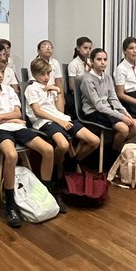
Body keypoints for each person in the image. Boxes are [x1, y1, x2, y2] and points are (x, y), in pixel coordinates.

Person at [0, 56, 53, 228]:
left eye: (2, 72)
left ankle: (46, 193)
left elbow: (18, 113)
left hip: (15, 127)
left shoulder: (9, 90)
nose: (0, 76)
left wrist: (4, 117)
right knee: (11, 155)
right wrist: (10, 118)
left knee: (48, 150)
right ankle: (10, 204)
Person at [24, 56, 98, 195]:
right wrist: (59, 122)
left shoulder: (51, 87)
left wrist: (58, 92)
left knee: (94, 141)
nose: (46, 77)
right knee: (63, 145)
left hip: (60, 118)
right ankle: (54, 170)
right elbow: (38, 112)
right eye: (42, 74)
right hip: (44, 122)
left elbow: (60, 111)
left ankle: (71, 163)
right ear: (34, 75)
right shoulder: (31, 89)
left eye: (48, 74)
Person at [78, 49, 136, 153]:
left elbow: (113, 99)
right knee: (123, 129)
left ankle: (112, 146)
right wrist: (121, 117)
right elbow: (98, 106)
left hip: (107, 110)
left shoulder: (107, 78)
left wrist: (124, 112)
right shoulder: (87, 80)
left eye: (105, 59)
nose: (103, 62)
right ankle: (113, 152)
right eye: (99, 59)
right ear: (92, 62)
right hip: (94, 112)